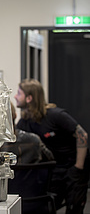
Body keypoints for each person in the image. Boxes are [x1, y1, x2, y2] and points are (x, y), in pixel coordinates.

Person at [15, 78, 89, 214]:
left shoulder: (56, 115)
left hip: (73, 169)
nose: (15, 96)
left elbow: (82, 135)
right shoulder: (24, 122)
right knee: (49, 207)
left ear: (29, 98)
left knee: (74, 208)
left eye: (19, 93)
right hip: (54, 172)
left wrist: (78, 168)